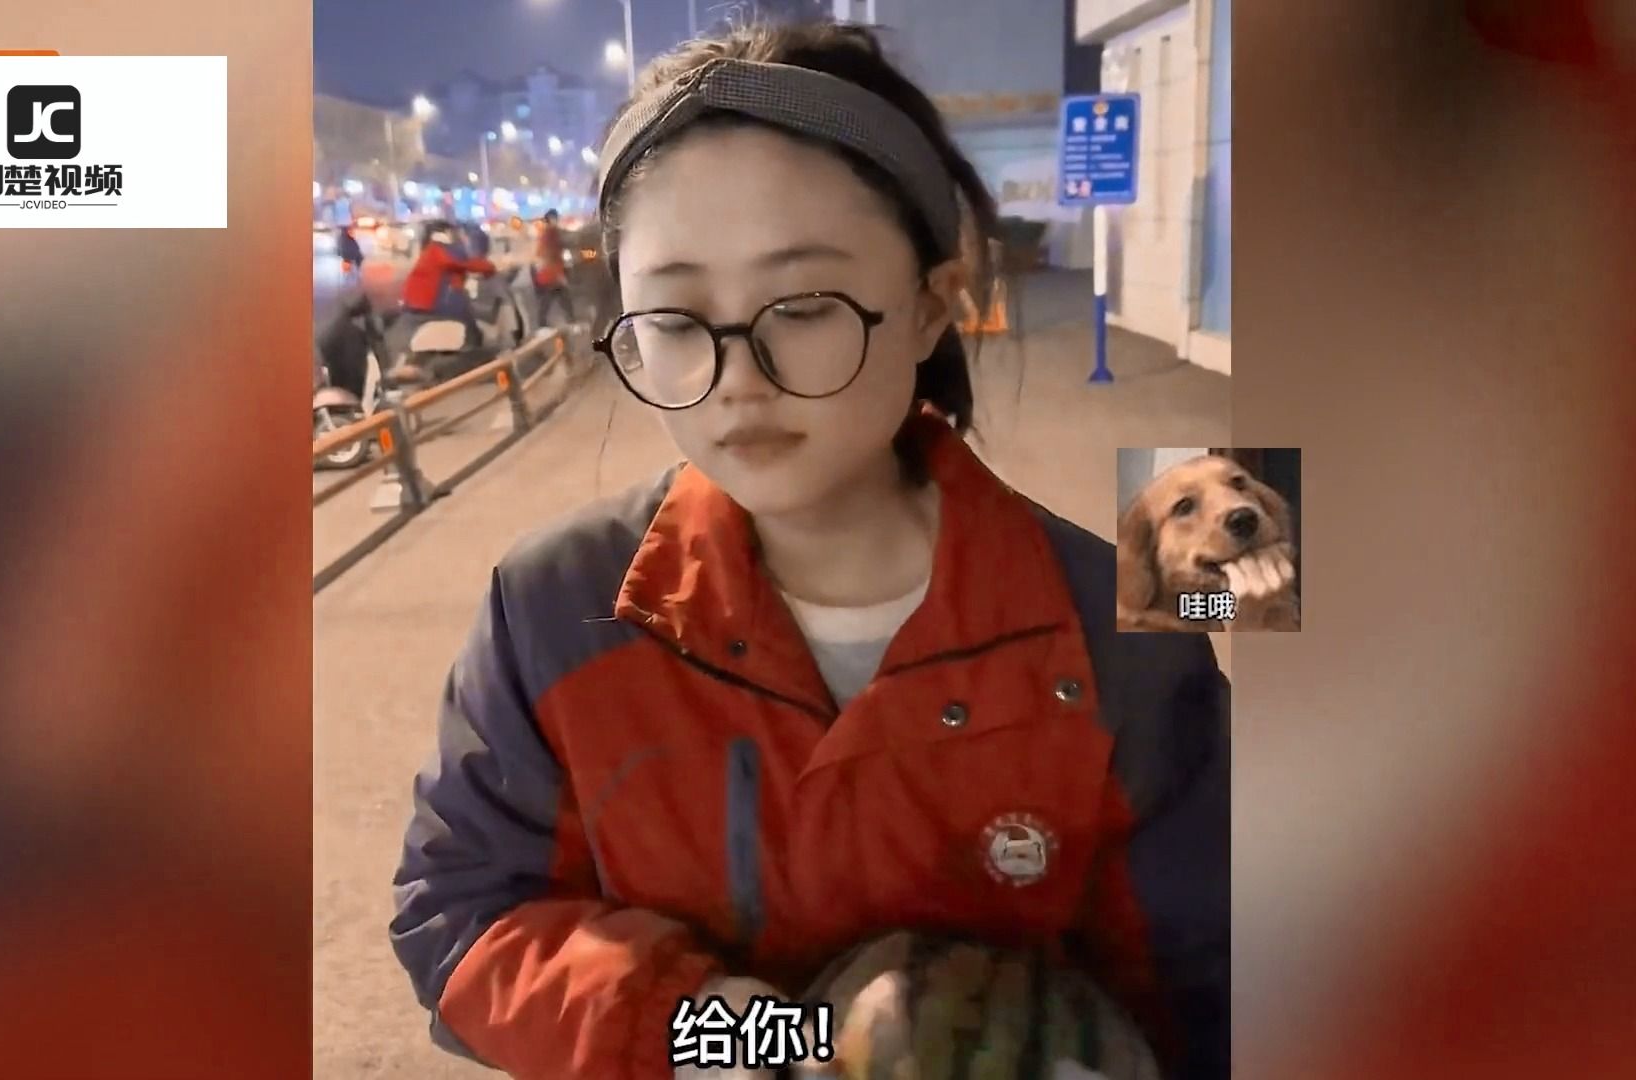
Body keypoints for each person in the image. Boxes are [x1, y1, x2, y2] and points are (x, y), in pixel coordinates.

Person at [389, 21, 1229, 1080]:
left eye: (802, 305)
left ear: (932, 306)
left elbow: (1217, 980)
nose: (739, 377)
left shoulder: (1126, 632)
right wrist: (741, 1030)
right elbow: (463, 916)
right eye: (674, 318)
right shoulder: (555, 609)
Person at [398, 221, 502, 350]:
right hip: (434, 306)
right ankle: (476, 353)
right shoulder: (441, 249)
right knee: (469, 329)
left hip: (417, 307)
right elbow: (466, 262)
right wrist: (490, 268)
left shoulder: (431, 250)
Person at [531, 208, 577, 327]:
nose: (557, 220)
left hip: (549, 273)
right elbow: (550, 255)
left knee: (554, 300)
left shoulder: (547, 233)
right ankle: (570, 322)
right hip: (551, 274)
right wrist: (559, 275)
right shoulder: (551, 234)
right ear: (551, 219)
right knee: (556, 299)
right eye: (555, 218)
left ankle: (544, 324)